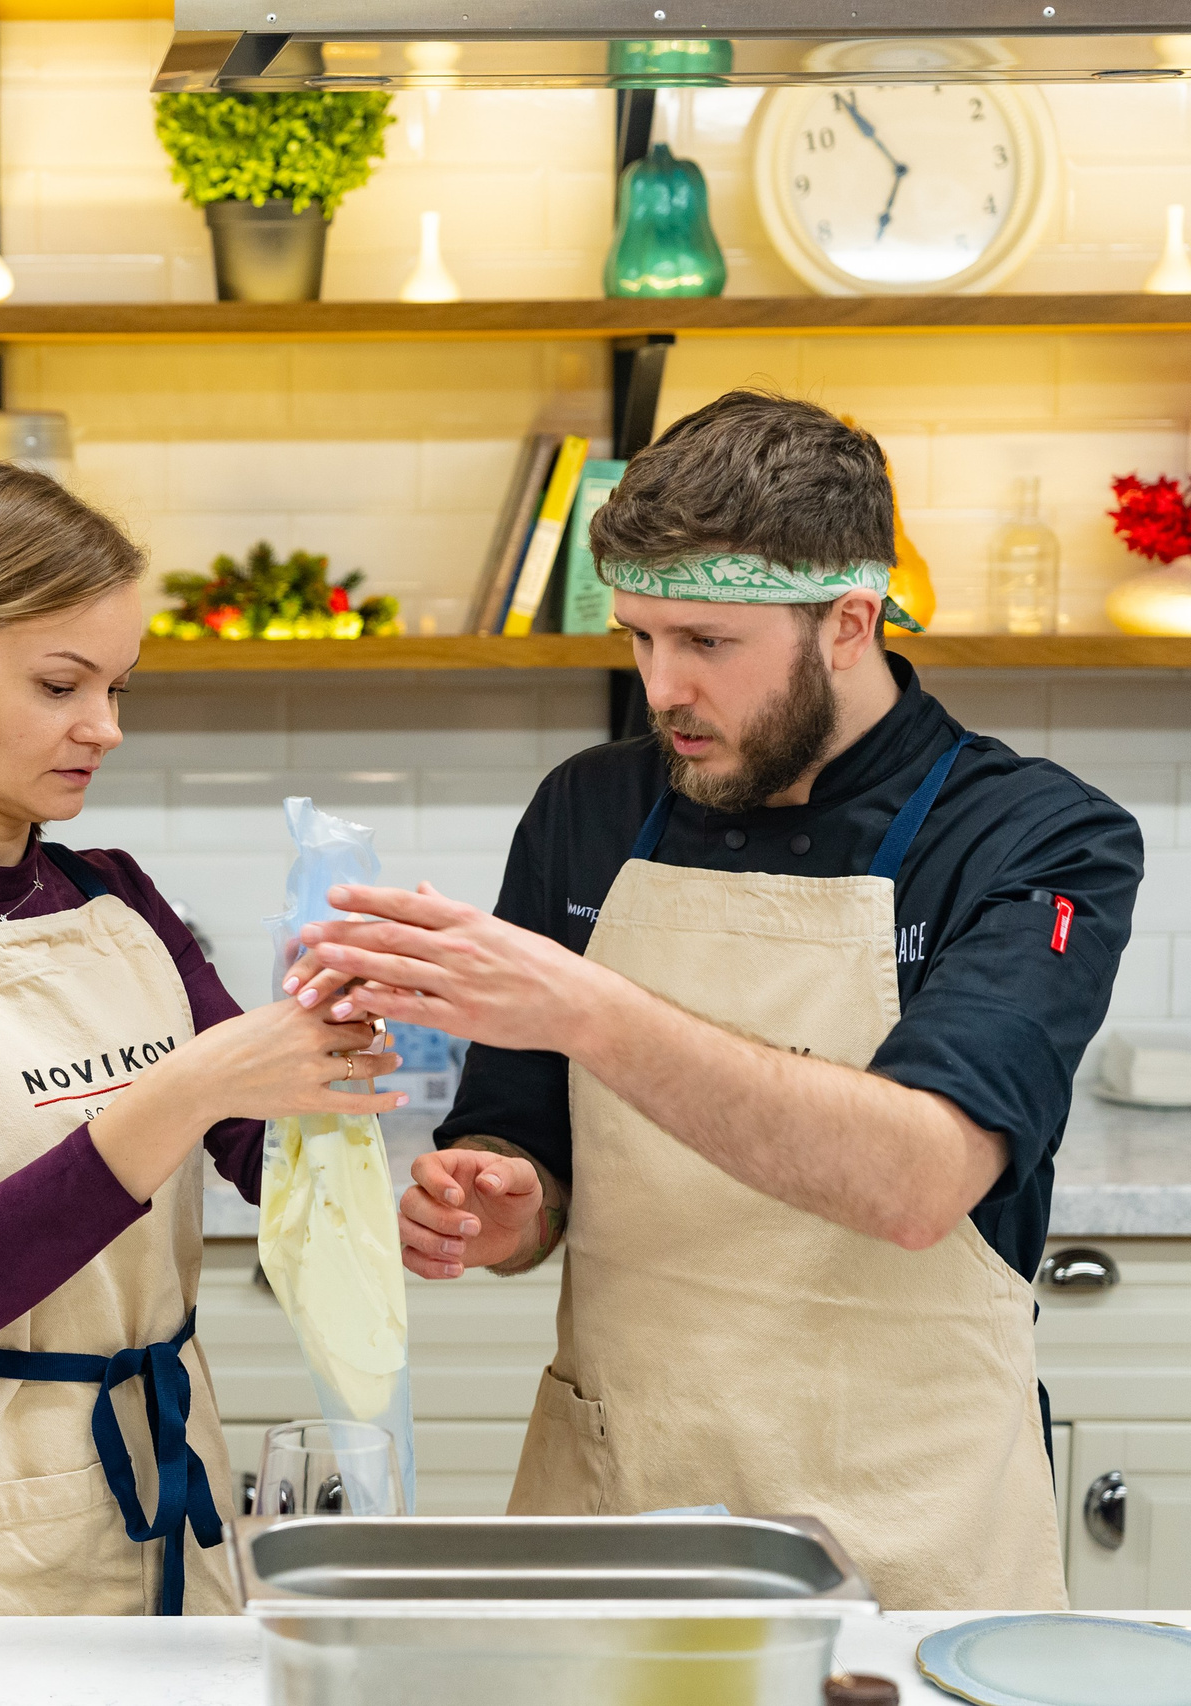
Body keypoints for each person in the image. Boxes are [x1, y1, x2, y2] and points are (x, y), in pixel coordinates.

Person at [285, 391, 1142, 1609]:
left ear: (849, 620)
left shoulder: (1032, 836)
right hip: (622, 1500)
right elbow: (520, 1137)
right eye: (637, 637)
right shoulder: (588, 808)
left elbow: (913, 1180)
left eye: (705, 642)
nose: (660, 687)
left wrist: (588, 1008)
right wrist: (497, 1201)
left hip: (903, 1528)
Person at [0, 462, 402, 1617]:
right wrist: (188, 1084)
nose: (102, 727)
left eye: (117, 685)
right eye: (60, 683)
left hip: (157, 1486)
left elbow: (259, 1149)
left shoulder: (115, 894)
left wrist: (344, 1097)